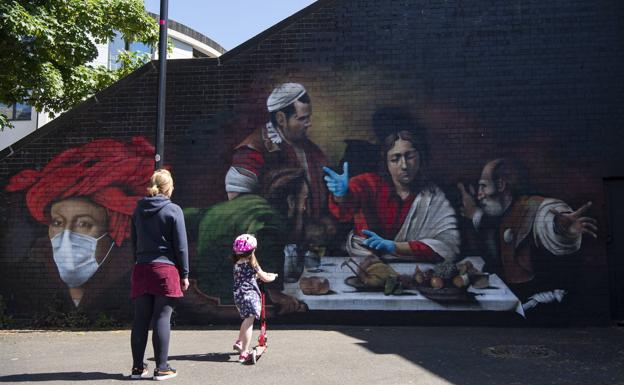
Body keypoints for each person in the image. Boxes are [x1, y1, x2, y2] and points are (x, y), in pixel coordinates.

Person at [4, 136, 155, 317]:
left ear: (115, 229)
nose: (66, 237)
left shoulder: (138, 276)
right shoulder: (24, 277)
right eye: (57, 223)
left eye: (84, 224)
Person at [457, 158, 598, 311]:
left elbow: (547, 217)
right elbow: (493, 223)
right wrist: (475, 214)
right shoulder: (502, 212)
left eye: (483, 186)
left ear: (500, 185)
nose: (479, 195)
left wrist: (560, 227)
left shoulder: (532, 207)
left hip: (538, 301)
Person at [323, 129, 460, 262]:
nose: (404, 165)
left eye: (410, 156)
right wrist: (341, 195)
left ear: (420, 157)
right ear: (386, 163)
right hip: (364, 264)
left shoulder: (432, 196)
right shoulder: (368, 183)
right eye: (395, 159)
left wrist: (395, 247)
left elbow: (449, 245)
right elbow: (344, 211)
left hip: (415, 268)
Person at [186, 168, 309, 316]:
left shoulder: (220, 209)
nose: (304, 207)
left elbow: (185, 217)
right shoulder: (269, 219)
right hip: (228, 300)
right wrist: (276, 294)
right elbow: (265, 247)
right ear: (290, 201)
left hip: (207, 292)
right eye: (304, 199)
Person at [225, 82, 327, 218]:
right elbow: (239, 208)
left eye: (309, 117)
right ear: (281, 119)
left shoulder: (313, 151)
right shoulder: (252, 151)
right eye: (302, 118)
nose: (309, 123)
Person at [130, 169, 189, 380]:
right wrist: (185, 273)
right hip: (165, 270)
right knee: (162, 318)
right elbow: (181, 246)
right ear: (168, 187)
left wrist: (138, 262)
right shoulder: (173, 210)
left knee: (140, 320)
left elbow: (134, 242)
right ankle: (162, 368)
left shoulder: (138, 210)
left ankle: (137, 368)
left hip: (142, 268)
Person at [230, 234, 277, 364]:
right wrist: (272, 276)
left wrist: (257, 276)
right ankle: (244, 353)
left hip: (238, 295)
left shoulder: (237, 263)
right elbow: (265, 278)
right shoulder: (253, 264)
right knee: (249, 323)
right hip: (250, 296)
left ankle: (239, 342)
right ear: (253, 251)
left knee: (246, 320)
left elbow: (247, 277)